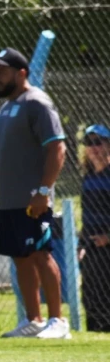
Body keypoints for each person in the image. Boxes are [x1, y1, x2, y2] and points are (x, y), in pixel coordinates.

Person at [0, 48, 69, 339]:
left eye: (1, 72)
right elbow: (12, 151)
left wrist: (43, 191)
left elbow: (57, 148)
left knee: (41, 254)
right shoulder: (6, 107)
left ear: (21, 73)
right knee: (20, 257)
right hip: (9, 201)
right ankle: (34, 320)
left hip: (34, 200)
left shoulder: (36, 103)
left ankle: (58, 322)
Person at [79, 124, 110, 332]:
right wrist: (81, 244)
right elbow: (85, 216)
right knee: (90, 296)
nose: (94, 148)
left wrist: (108, 237)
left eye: (98, 142)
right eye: (89, 143)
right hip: (91, 246)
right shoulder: (88, 178)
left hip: (107, 245)